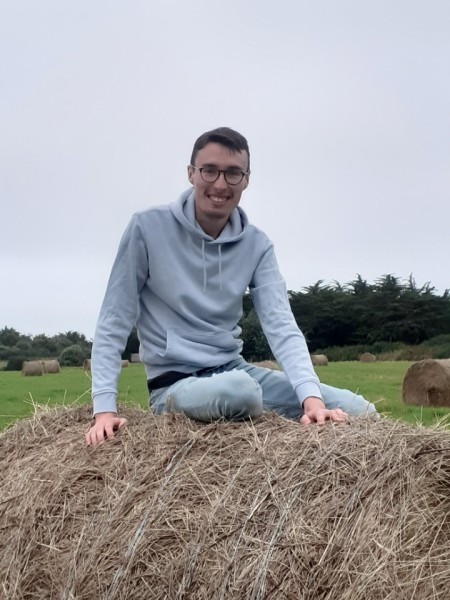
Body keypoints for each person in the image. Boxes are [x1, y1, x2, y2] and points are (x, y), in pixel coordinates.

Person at [85, 127, 376, 446]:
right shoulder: (146, 228)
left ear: (246, 179)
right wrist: (103, 410)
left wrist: (312, 400)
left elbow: (281, 324)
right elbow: (115, 317)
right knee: (241, 392)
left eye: (233, 173)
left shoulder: (257, 245)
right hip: (174, 385)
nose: (220, 184)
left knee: (358, 409)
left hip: (235, 371)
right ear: (191, 174)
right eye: (209, 171)